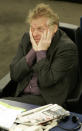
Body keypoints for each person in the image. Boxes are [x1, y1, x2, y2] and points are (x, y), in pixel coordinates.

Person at [9, 3, 80, 109]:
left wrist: (41, 51)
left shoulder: (67, 48)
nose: (34, 33)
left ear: (54, 29)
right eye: (32, 28)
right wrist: (33, 50)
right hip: (22, 96)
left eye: (40, 29)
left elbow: (46, 81)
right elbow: (14, 75)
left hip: (47, 101)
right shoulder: (27, 38)